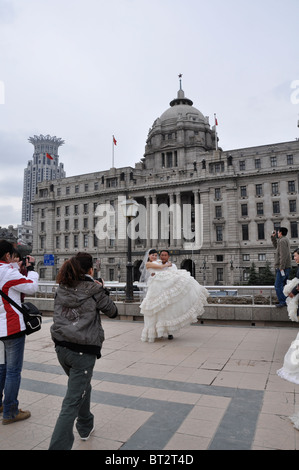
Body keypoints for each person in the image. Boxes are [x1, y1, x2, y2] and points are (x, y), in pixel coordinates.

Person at [48, 252, 118, 450]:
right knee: (71, 402)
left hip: (61, 348)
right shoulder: (94, 289)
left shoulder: (62, 287)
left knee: (80, 386)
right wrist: (103, 290)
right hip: (83, 350)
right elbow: (112, 312)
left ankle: (85, 425)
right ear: (90, 270)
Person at [0, 240, 38, 425]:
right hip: (11, 327)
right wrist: (31, 270)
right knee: (13, 371)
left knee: (1, 368)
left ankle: (1, 405)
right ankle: (10, 411)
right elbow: (31, 286)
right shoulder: (7, 272)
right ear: (7, 256)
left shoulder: (8, 270)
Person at [139, 248, 209, 343]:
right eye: (153, 255)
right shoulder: (149, 263)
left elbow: (165, 267)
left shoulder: (159, 262)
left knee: (166, 309)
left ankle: (167, 331)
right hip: (155, 286)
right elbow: (160, 267)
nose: (155, 257)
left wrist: (167, 264)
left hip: (163, 285)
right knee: (154, 309)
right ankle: (153, 331)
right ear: (149, 256)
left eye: (156, 255)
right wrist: (166, 264)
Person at [271, 227, 291, 307]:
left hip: (283, 268)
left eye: (278, 232)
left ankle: (283, 302)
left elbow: (283, 255)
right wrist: (273, 237)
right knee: (283, 285)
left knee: (278, 285)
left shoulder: (282, 241)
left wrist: (281, 266)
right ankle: (285, 301)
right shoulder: (283, 240)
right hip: (285, 267)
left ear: (281, 233)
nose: (277, 233)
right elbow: (277, 247)